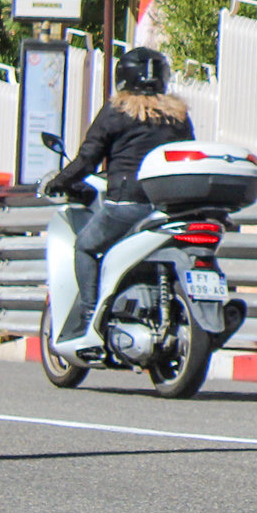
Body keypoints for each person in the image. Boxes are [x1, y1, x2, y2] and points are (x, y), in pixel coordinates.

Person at [41, 47, 193, 349]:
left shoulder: (118, 110)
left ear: (123, 75)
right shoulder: (178, 115)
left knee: (85, 246)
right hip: (171, 207)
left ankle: (88, 317)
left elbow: (87, 158)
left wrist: (58, 182)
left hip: (128, 204)